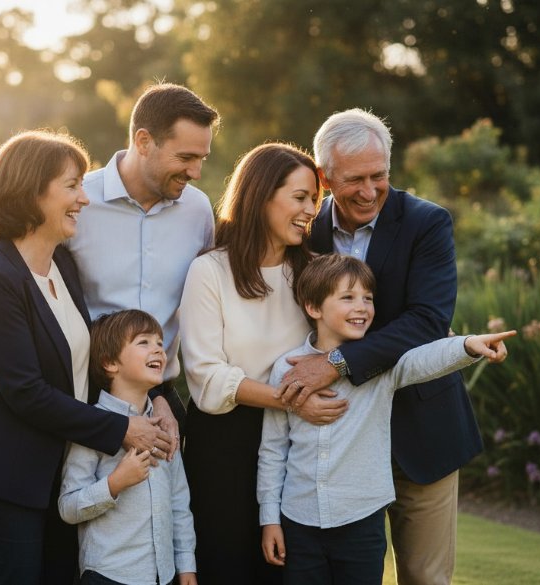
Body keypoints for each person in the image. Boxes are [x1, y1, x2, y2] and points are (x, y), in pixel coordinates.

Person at [0, 130, 170, 584]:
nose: (84, 199)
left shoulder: (61, 263)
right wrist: (124, 428)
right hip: (2, 473)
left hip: (56, 468)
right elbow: (25, 392)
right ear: (31, 191)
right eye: (72, 186)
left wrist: (153, 395)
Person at [0, 82, 220, 447]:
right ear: (143, 141)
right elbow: (6, 281)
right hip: (83, 397)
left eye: (202, 158)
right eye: (186, 158)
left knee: (170, 505)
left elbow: (210, 299)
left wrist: (159, 397)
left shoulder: (198, 211)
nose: (196, 172)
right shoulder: (74, 202)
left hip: (160, 399)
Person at [278, 108, 482, 585]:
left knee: (425, 577)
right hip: (334, 436)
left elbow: (428, 321)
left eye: (379, 176)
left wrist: (336, 363)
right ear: (325, 176)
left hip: (421, 429)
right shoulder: (305, 231)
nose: (369, 191)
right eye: (354, 179)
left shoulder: (427, 223)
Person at [258, 254, 515, 584]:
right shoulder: (286, 368)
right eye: (348, 297)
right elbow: (273, 451)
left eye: (368, 298)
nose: (362, 307)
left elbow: (423, 360)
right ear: (314, 307)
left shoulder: (382, 367)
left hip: (361, 522)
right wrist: (270, 519)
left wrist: (467, 345)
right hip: (298, 521)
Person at [178, 143, 349, 585]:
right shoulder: (209, 272)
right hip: (223, 447)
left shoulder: (315, 274)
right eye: (299, 197)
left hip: (296, 447)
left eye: (314, 199)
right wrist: (291, 401)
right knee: (227, 567)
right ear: (260, 196)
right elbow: (206, 376)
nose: (311, 210)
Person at [59, 310, 197, 585]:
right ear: (110, 362)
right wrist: (115, 483)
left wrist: (186, 567)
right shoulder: (94, 428)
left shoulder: (164, 427)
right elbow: (68, 507)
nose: (158, 349)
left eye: (159, 342)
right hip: (108, 575)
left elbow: (179, 504)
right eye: (144, 342)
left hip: (163, 576)